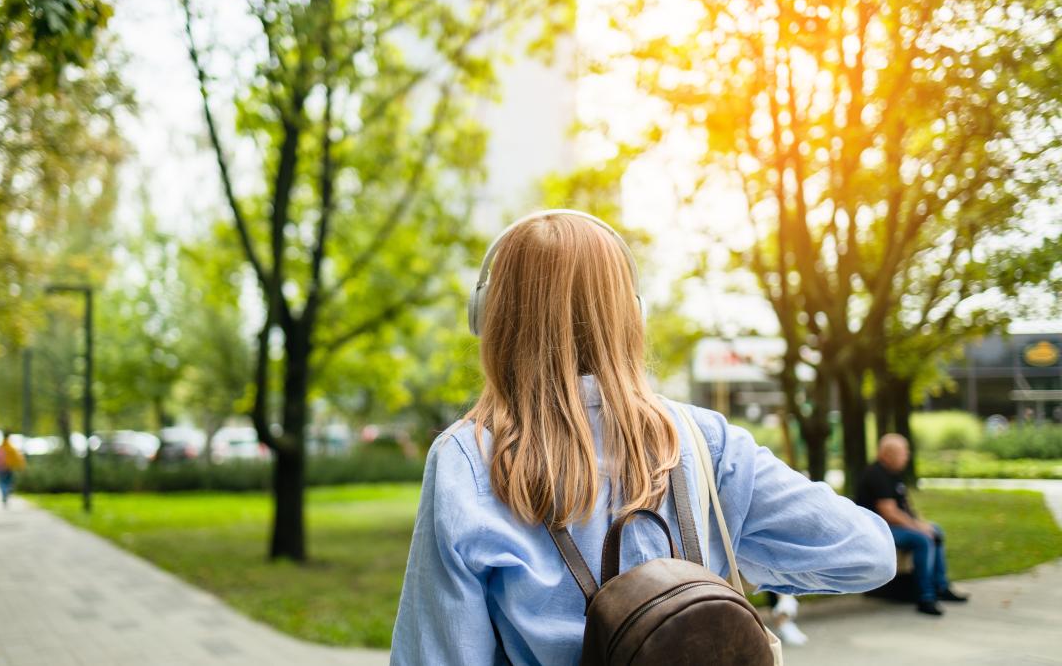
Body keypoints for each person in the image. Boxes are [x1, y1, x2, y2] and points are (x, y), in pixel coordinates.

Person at [390, 210, 897, 664]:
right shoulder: (705, 440)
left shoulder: (467, 459)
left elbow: (438, 653)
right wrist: (724, 566)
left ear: (489, 318)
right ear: (632, 316)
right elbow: (871, 553)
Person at [855, 434, 968, 616]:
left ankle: (941, 586)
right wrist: (917, 527)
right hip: (878, 530)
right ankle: (925, 596)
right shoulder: (876, 475)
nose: (907, 456)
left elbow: (905, 507)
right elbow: (889, 512)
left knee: (935, 530)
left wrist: (921, 523)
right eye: (902, 453)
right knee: (922, 540)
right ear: (887, 454)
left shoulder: (893, 475)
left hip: (893, 526)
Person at [0, 433, 26, 507]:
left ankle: (4, 493)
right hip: (9, 468)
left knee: (1, 482)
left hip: (0, 468)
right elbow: (17, 458)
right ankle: (7, 491)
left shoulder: (0, 448)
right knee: (8, 481)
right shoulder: (11, 448)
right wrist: (20, 466)